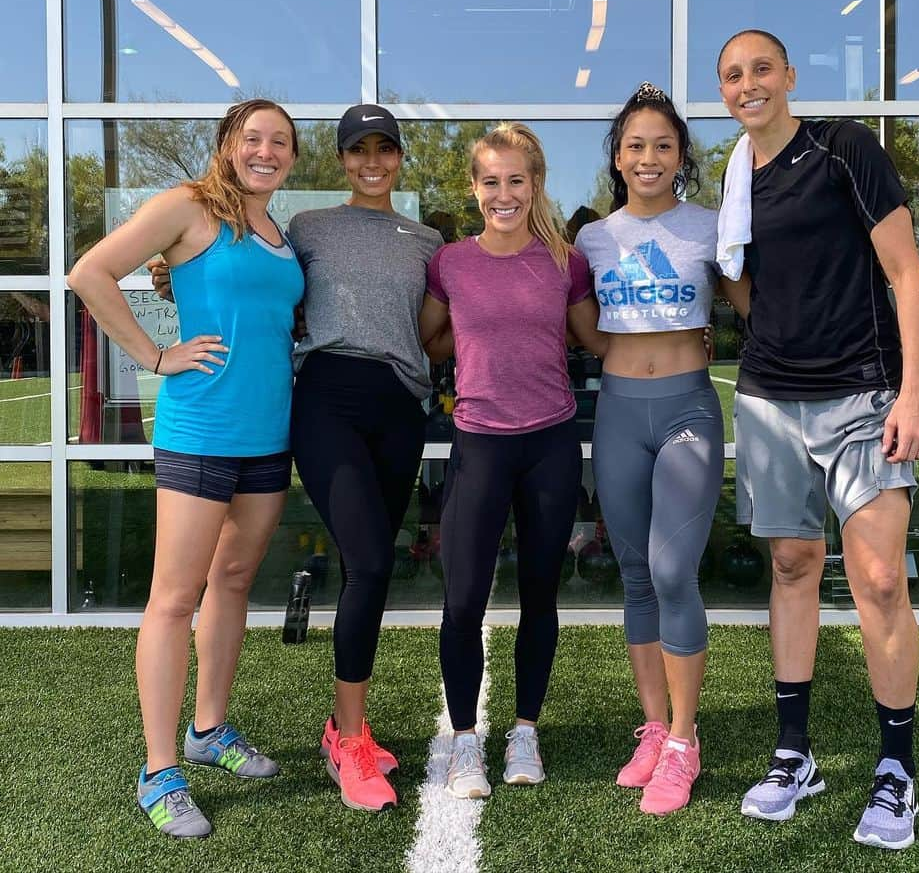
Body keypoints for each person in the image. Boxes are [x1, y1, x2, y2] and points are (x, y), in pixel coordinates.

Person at [716, 30, 919, 850]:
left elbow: (907, 271)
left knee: (877, 577)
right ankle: (793, 754)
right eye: (733, 76)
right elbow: (744, 286)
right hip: (772, 401)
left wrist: (915, 391)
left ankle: (895, 770)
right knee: (792, 564)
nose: (749, 84)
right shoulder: (737, 181)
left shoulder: (843, 147)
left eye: (760, 69)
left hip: (866, 398)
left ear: (789, 76)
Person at [69, 99, 305, 839]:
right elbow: (90, 273)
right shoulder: (187, 206)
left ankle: (209, 731)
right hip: (202, 427)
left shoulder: (276, 230)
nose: (266, 151)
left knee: (233, 581)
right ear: (228, 145)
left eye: (281, 143)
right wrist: (154, 355)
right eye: (253, 138)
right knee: (174, 597)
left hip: (269, 433)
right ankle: (159, 769)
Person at [422, 122, 605, 799]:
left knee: (539, 596)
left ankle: (524, 729)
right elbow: (431, 338)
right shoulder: (452, 264)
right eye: (491, 182)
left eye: (516, 181)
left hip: (550, 445)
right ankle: (465, 740)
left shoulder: (565, 262)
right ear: (474, 190)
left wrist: (677, 336)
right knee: (463, 598)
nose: (504, 194)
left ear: (535, 185)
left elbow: (595, 341)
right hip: (478, 444)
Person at [575, 83, 728, 816]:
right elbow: (581, 321)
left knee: (673, 569)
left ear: (681, 158)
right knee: (636, 572)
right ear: (617, 156)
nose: (648, 157)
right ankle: (655, 727)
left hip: (687, 408)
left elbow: (757, 301)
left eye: (662, 145)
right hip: (618, 412)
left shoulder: (708, 226)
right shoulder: (593, 239)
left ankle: (685, 742)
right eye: (635, 145)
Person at [287, 105, 444, 813]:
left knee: (367, 568)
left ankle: (344, 723)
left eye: (384, 149)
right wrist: (180, 272)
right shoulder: (309, 228)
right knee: (374, 559)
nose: (372, 161)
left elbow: (441, 323)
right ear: (342, 159)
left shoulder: (427, 239)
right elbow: (260, 284)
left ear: (399, 158)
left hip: (399, 407)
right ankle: (347, 741)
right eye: (359, 150)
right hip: (327, 398)